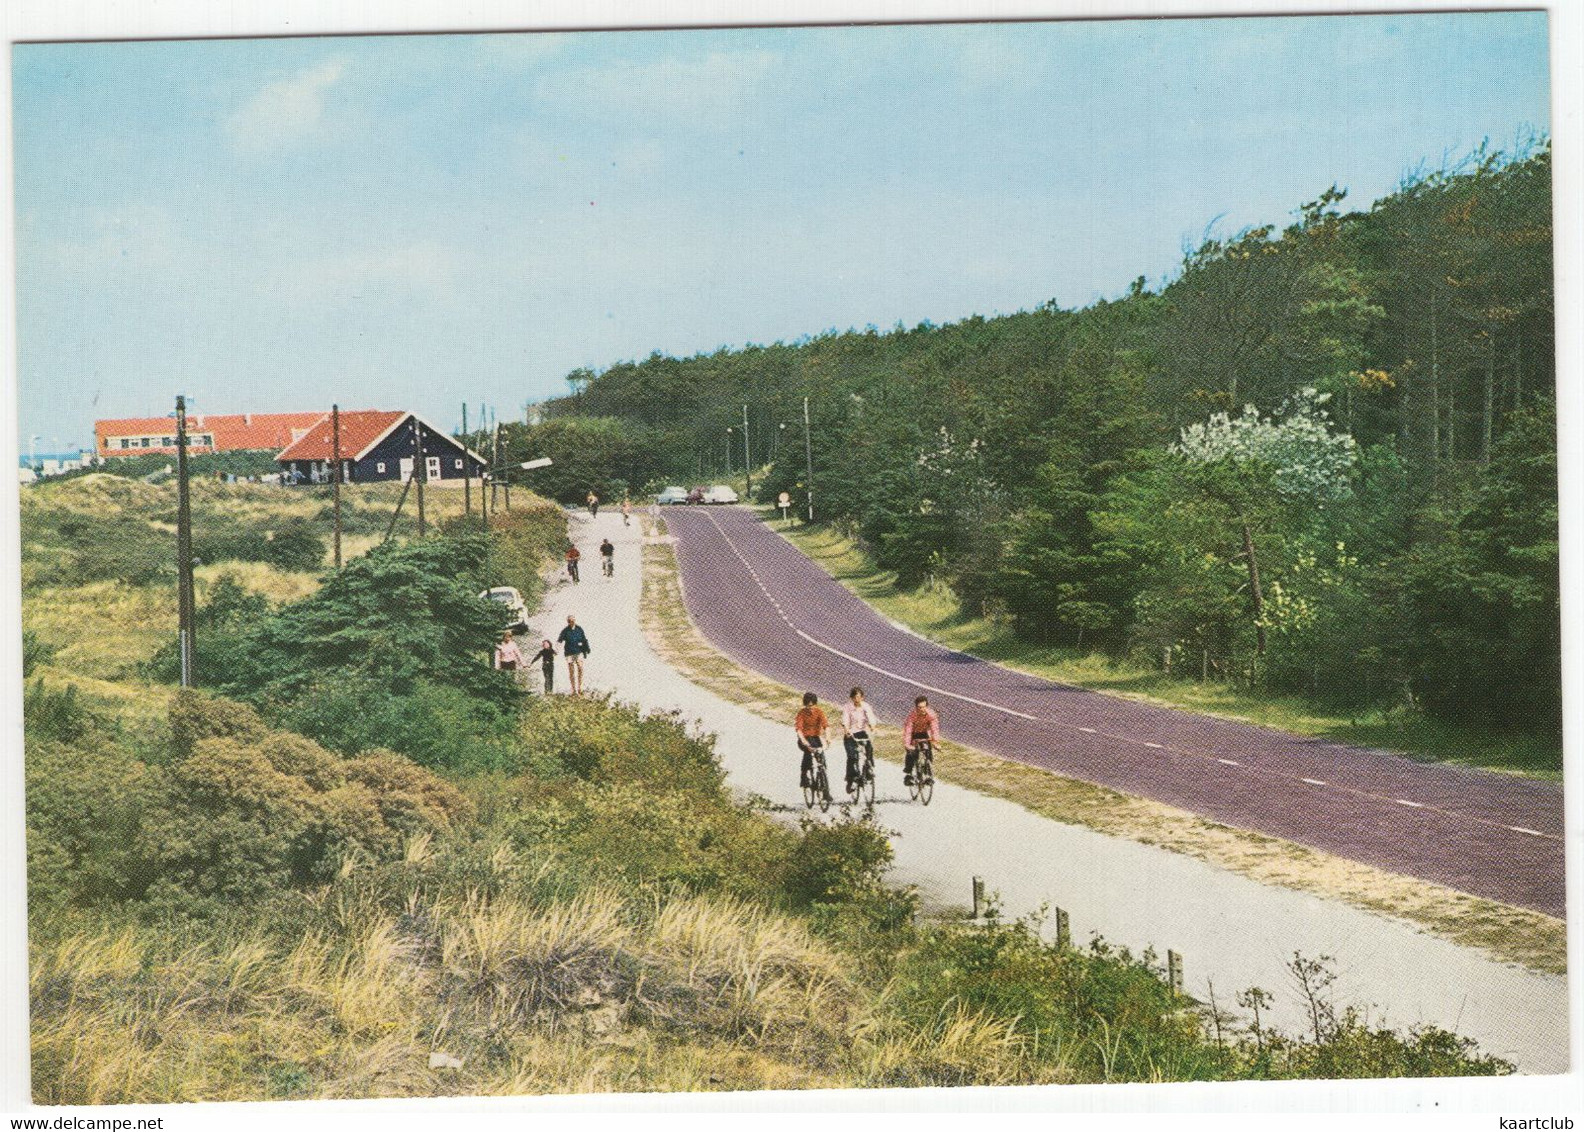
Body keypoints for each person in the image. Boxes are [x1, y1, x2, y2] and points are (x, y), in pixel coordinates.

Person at [841, 686, 879, 791]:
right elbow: (845, 719)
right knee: (852, 756)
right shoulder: (847, 707)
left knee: (869, 749)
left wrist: (873, 727)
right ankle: (851, 779)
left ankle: (868, 771)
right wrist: (847, 729)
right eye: (855, 697)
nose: (857, 699)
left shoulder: (866, 706)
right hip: (851, 734)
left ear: (862, 697)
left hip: (861, 733)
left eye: (859, 697)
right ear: (851, 698)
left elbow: (870, 717)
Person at [794, 691, 829, 790]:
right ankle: (804, 776)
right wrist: (804, 741)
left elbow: (826, 726)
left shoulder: (819, 712)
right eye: (808, 706)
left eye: (812, 706)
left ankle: (824, 786)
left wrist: (828, 738)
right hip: (804, 738)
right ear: (805, 705)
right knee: (808, 753)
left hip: (815, 738)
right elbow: (799, 729)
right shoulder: (802, 713)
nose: (811, 708)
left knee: (821, 757)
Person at [903, 694, 940, 786]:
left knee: (927, 750)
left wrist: (935, 742)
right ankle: (908, 775)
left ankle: (928, 775)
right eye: (919, 707)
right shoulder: (912, 716)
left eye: (924, 707)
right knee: (911, 753)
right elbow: (908, 730)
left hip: (924, 732)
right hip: (913, 733)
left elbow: (934, 728)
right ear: (916, 708)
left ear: (927, 706)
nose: (922, 709)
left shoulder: (931, 714)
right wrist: (907, 744)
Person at [557, 614, 591, 696]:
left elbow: (584, 640)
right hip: (569, 652)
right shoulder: (565, 631)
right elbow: (559, 640)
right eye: (569, 621)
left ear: (575, 621)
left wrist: (587, 649)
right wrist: (556, 649)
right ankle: (573, 689)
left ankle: (580, 687)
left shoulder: (579, 629)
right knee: (571, 670)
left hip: (578, 651)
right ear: (568, 622)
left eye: (572, 621)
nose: (571, 622)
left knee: (580, 667)